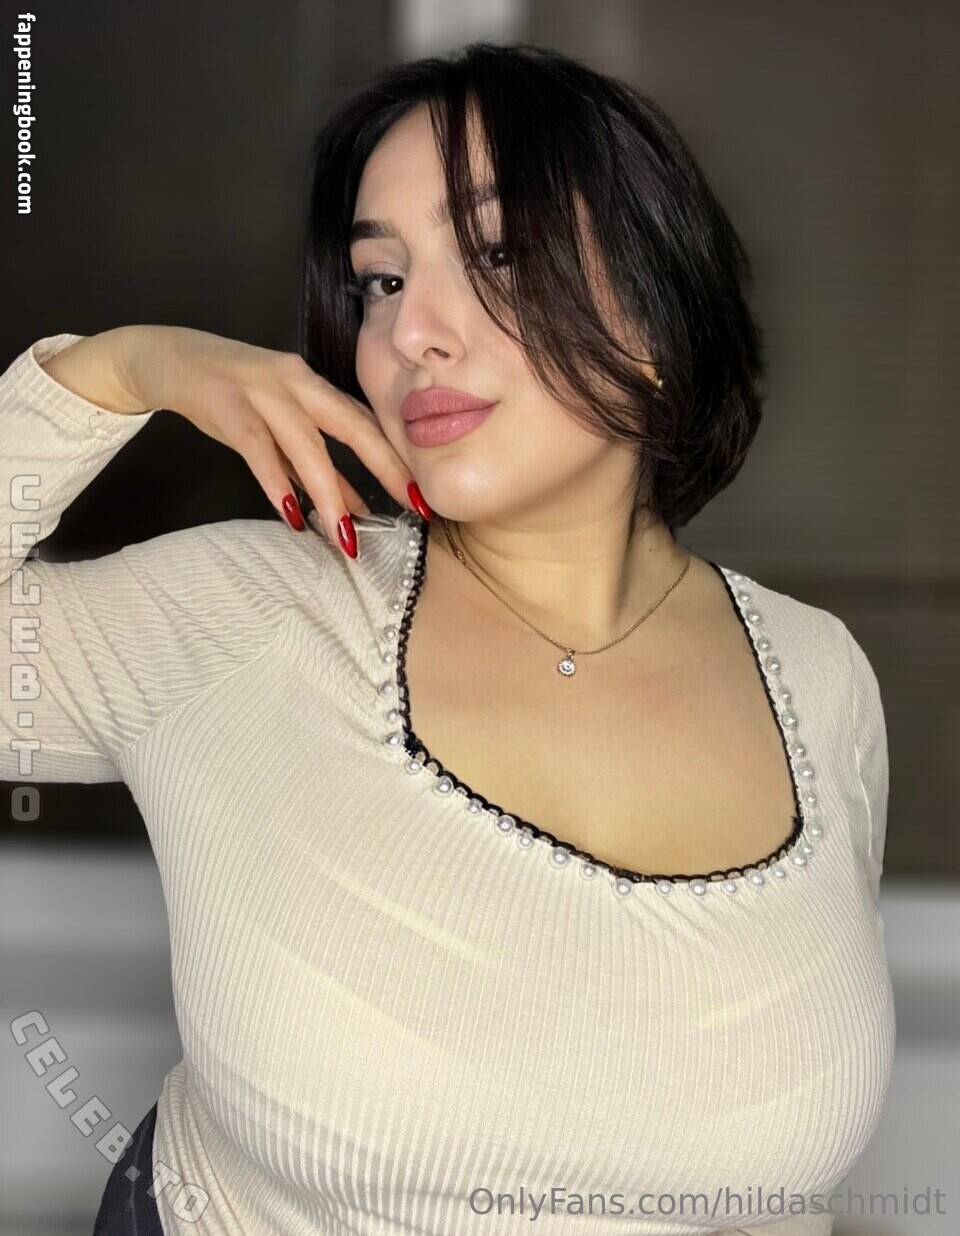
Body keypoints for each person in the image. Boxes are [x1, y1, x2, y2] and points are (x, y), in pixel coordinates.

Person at [0, 39, 893, 1236]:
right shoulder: (248, 614)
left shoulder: (821, 675)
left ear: (658, 304)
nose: (411, 332)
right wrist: (119, 371)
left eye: (497, 255)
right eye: (378, 280)